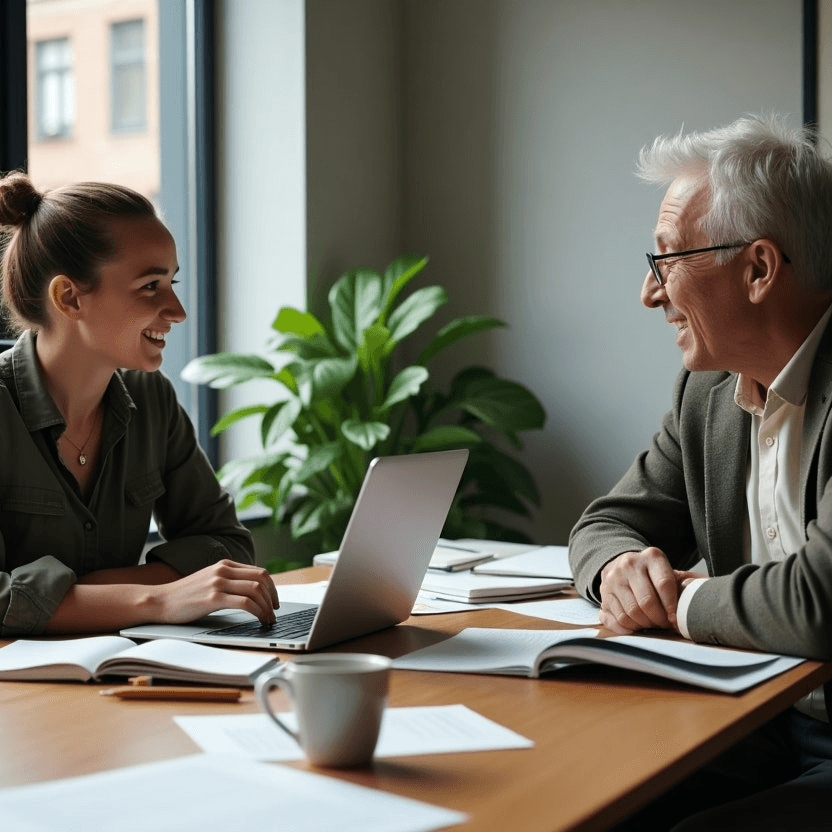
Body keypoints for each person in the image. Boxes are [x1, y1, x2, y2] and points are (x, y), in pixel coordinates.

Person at [569, 115, 832, 829]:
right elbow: (607, 522)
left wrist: (678, 602)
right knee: (588, 792)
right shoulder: (709, 390)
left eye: (667, 261)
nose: (650, 294)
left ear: (759, 269)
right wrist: (620, 570)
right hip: (761, 716)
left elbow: (818, 601)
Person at [0, 172, 278, 636]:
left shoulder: (151, 398)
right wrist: (158, 597)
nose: (178, 311)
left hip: (126, 664)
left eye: (172, 281)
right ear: (69, 298)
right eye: (151, 286)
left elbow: (228, 545)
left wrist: (82, 595)